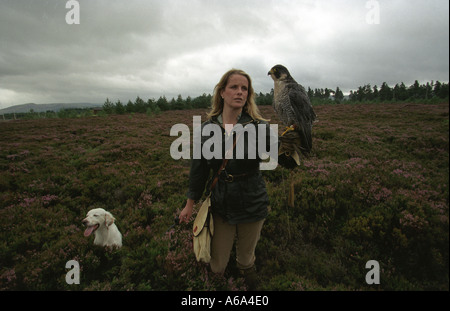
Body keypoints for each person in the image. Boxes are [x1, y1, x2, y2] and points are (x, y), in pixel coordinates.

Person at [179, 69, 277, 290]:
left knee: (245, 261)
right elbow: (198, 171)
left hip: (253, 201)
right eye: (234, 87)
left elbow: (282, 154)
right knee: (217, 265)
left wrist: (295, 142)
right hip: (222, 203)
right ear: (222, 92)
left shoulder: (258, 126)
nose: (240, 92)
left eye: (244, 88)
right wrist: (189, 204)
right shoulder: (207, 130)